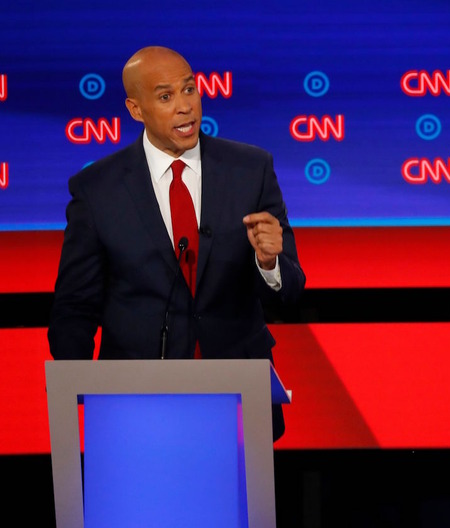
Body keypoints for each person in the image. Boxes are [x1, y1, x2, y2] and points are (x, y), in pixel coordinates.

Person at [47, 46, 305, 441]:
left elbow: (290, 287)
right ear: (136, 109)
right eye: (166, 96)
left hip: (237, 396)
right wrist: (75, 391)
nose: (185, 106)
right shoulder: (98, 190)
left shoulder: (250, 170)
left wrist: (270, 263)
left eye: (190, 90)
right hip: (134, 403)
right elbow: (75, 306)